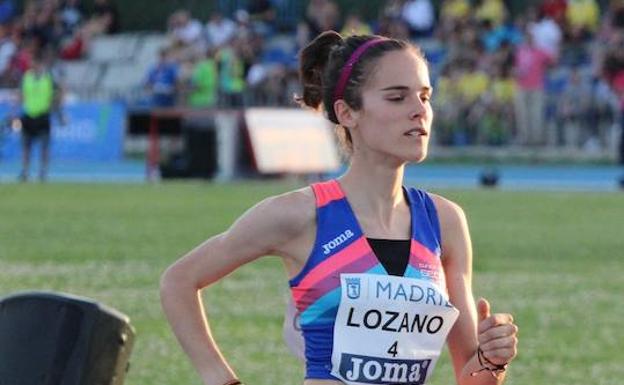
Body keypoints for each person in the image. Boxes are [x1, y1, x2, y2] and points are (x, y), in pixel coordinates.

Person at [160, 31, 519, 385]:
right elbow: (179, 281)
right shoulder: (301, 215)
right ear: (347, 113)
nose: (419, 111)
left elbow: (470, 378)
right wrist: (220, 379)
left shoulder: (444, 222)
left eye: (425, 97)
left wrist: (492, 358)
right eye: (397, 98)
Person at [17, 53, 63, 182]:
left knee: (44, 146)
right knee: (26, 147)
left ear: (41, 65)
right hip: (28, 115)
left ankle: (43, 172)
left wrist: (57, 108)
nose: (34, 66)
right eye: (32, 63)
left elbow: (58, 93)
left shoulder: (48, 78)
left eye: (36, 63)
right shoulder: (26, 77)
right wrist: (14, 113)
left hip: (43, 115)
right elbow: (20, 95)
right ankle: (25, 172)